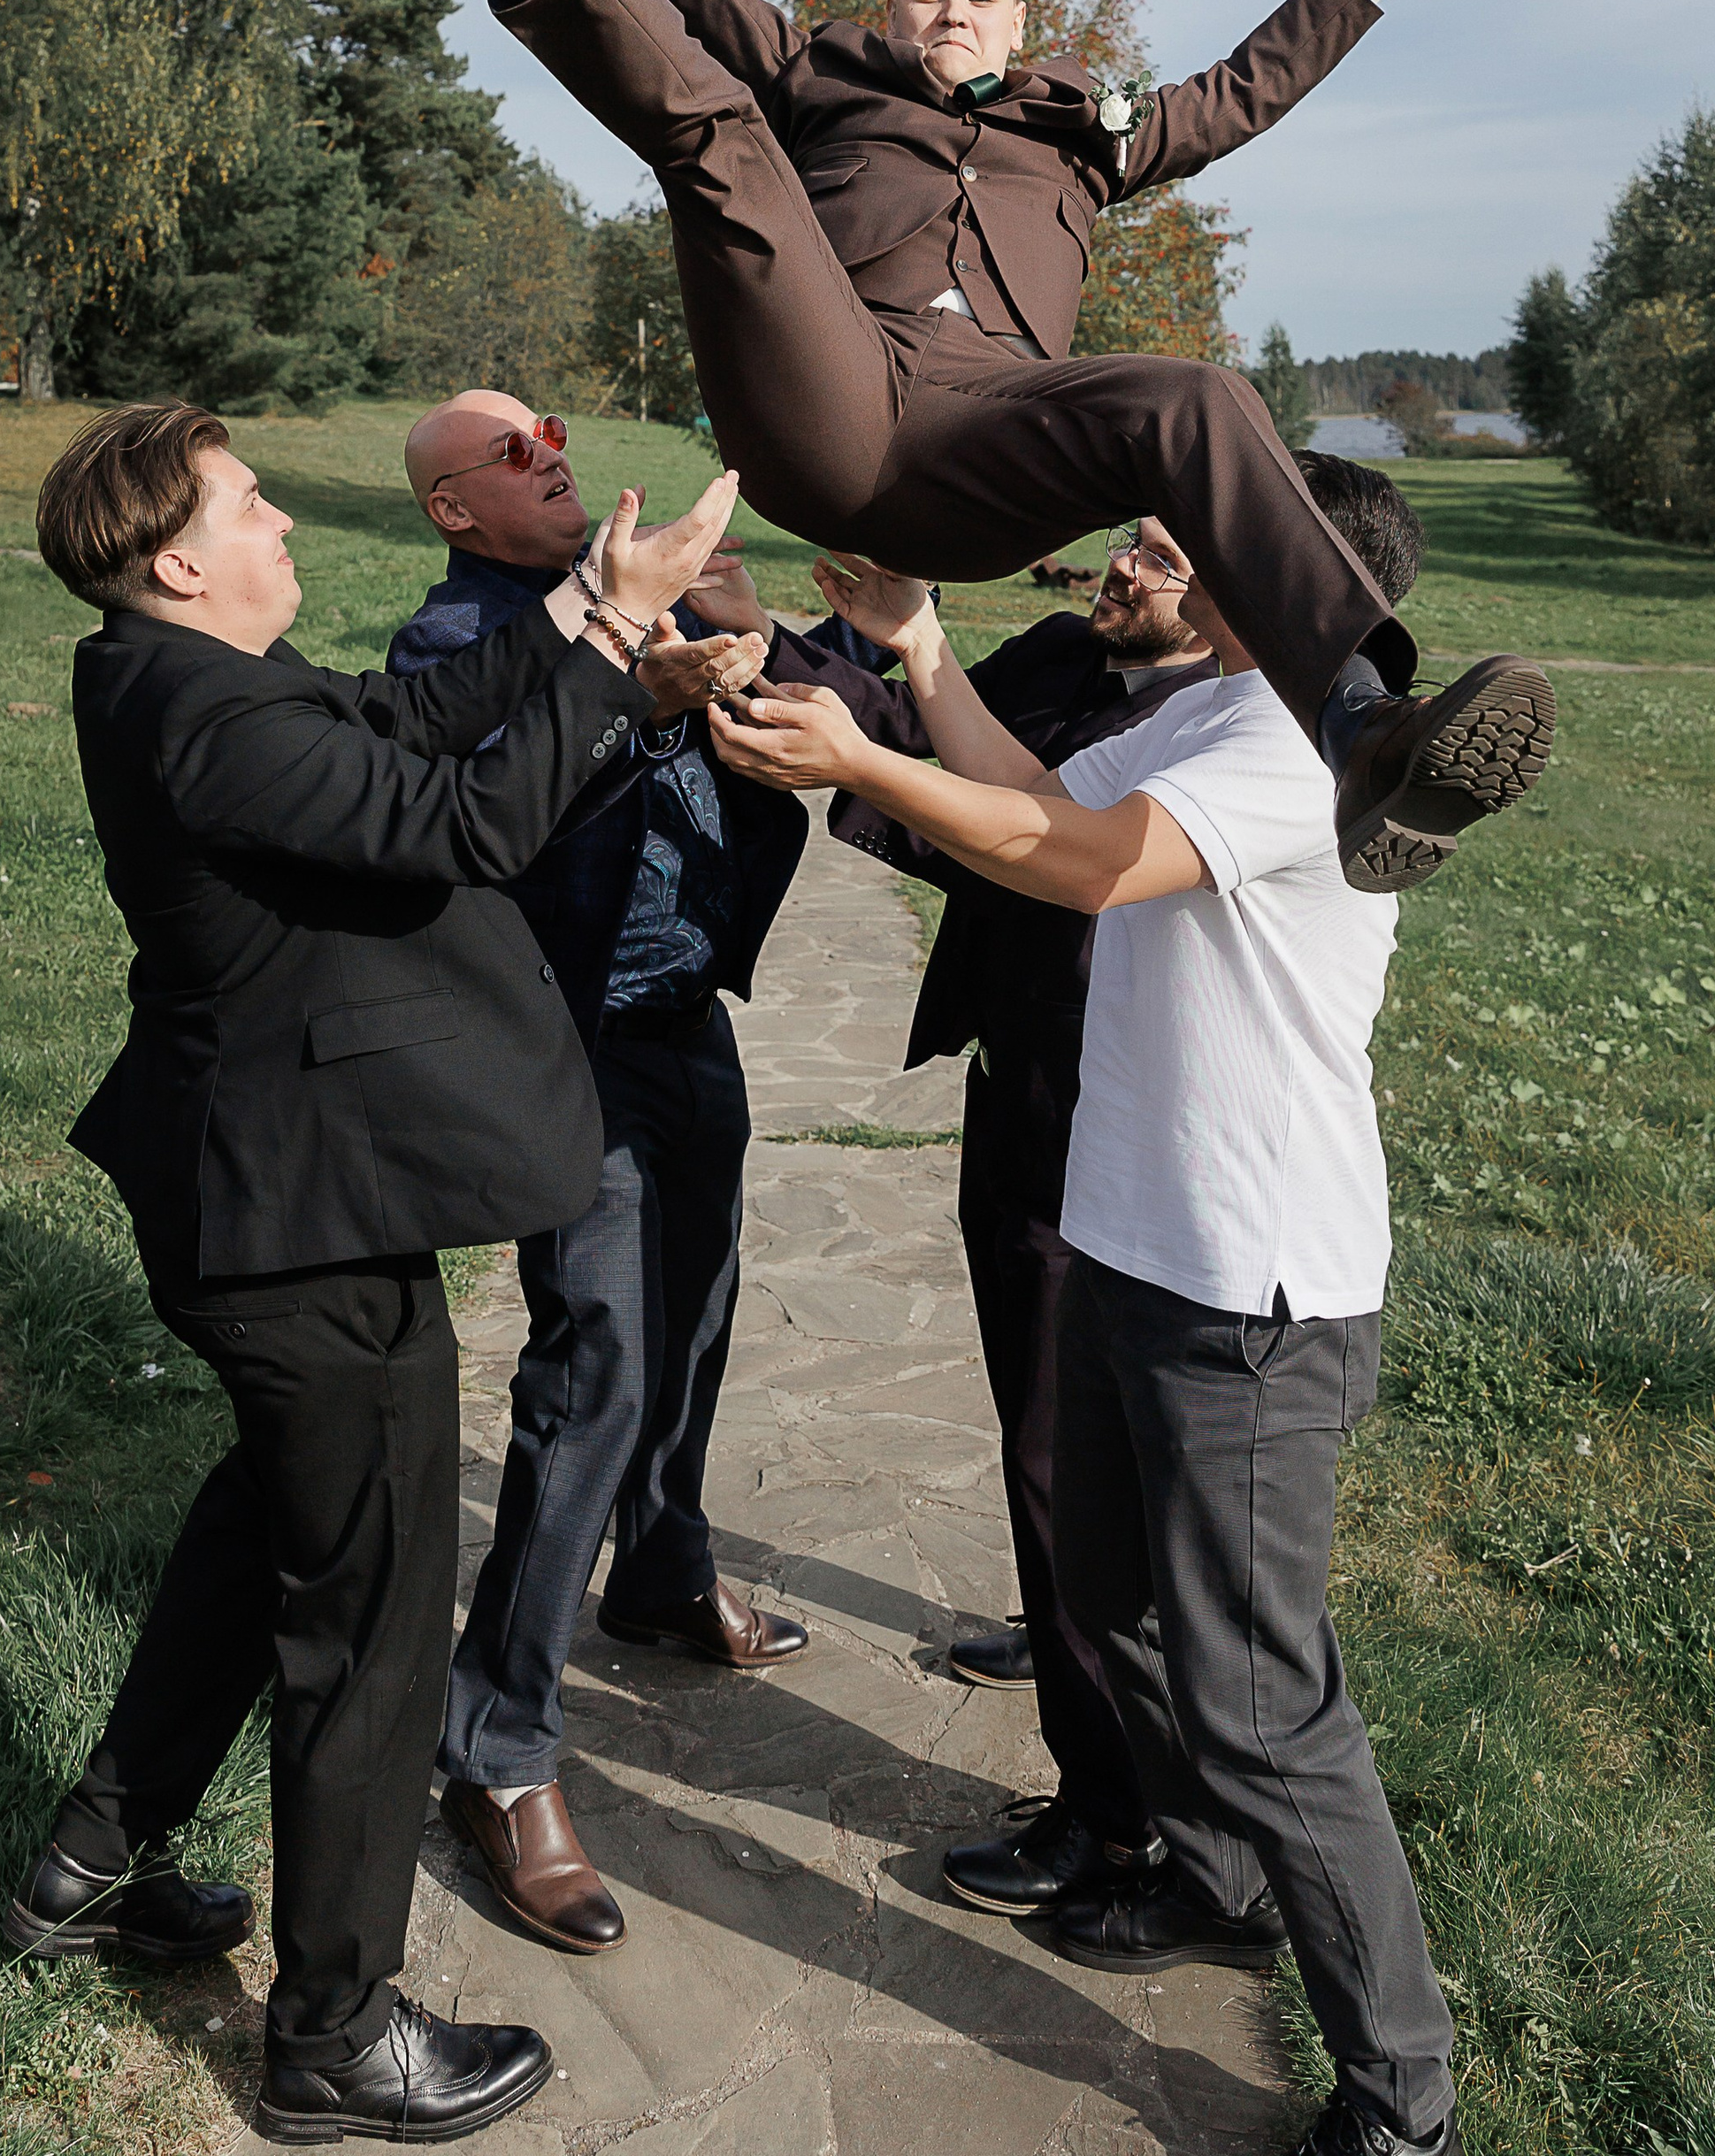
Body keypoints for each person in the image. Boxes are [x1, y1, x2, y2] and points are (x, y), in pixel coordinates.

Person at [432, 0, 1552, 897]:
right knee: (720, 138)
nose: (948, 13)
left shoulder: (1090, 134)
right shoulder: (822, 83)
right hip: (827, 388)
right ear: (893, 9)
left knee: (1196, 396)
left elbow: (1249, 87)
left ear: (1020, 22)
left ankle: (1368, 735)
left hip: (985, 450)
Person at [706, 463, 1459, 2156]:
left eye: (1202, 538)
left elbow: (1089, 866)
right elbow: (1037, 796)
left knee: (1264, 1701)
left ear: (1288, 577)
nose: (1145, 552)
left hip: (1250, 1293)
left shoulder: (1291, 753)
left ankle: (1403, 2094)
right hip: (1134, 1248)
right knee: (1108, 1601)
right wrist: (916, 654)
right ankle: (1205, 1881)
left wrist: (863, 751)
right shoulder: (1208, 719)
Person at [11, 401, 736, 2147]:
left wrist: (581, 612)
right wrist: (623, 641)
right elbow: (458, 827)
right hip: (296, 1226)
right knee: (371, 1619)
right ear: (176, 556)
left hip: (262, 1200)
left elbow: (407, 718)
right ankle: (334, 2036)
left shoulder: (186, 679)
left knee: (261, 1530)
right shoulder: (200, 713)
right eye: (252, 508)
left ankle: (88, 1860)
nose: (284, 530)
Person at [689, 507, 1218, 1892]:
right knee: (1043, 1439)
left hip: (1114, 1122)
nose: (1123, 564)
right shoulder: (1064, 649)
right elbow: (927, 744)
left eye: (1164, 558)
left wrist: (881, 715)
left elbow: (1041, 831)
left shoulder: (1221, 730)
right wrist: (769, 646)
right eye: (1134, 539)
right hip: (1025, 1083)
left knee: (1067, 1456)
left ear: (1237, 591)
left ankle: (1115, 1810)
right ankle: (1076, 1659)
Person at [381, 391, 811, 1958]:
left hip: (685, 1014)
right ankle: (497, 1754)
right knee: (599, 1367)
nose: (545, 453)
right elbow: (494, 796)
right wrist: (640, 686)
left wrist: (749, 642)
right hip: (569, 1047)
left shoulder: (659, 611)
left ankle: (664, 1567)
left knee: (696, 1315)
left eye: (550, 434)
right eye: (506, 452)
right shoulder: (455, 641)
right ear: (454, 512)